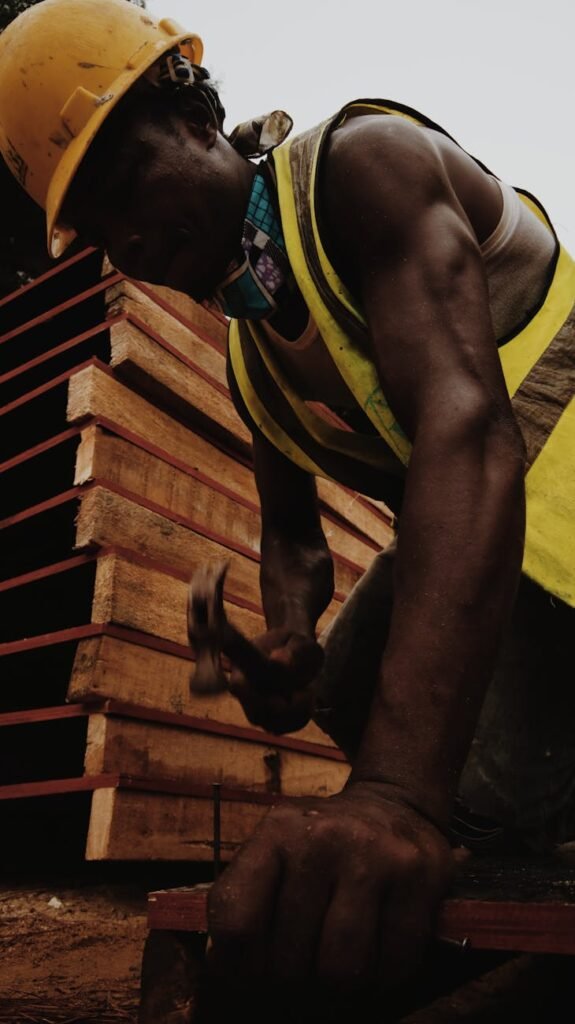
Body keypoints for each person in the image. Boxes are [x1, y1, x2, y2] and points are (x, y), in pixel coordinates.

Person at [1, 0, 573, 991]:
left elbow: (463, 426)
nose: (127, 239)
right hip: (499, 531)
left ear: (191, 117)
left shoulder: (361, 167)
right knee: (352, 678)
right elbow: (295, 547)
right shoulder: (250, 356)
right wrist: (286, 641)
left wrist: (395, 792)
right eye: (97, 231)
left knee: (454, 768)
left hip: (554, 508)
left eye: (127, 183)